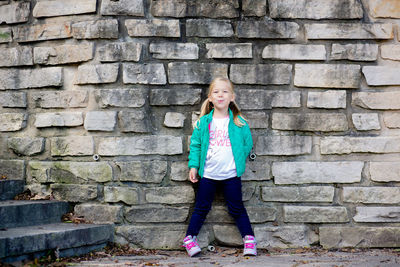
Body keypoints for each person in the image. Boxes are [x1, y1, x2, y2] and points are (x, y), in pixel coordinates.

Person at [182, 76, 256, 257]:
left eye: (225, 91)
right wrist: (193, 166)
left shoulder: (240, 123)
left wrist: (236, 159)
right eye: (216, 92)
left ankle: (249, 239)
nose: (220, 95)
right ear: (210, 98)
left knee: (236, 208)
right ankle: (189, 238)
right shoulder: (203, 123)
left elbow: (247, 144)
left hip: (231, 174)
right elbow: (196, 146)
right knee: (201, 207)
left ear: (232, 97)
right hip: (208, 174)